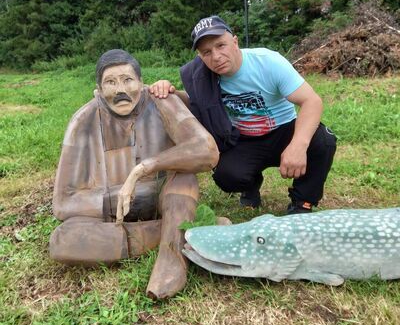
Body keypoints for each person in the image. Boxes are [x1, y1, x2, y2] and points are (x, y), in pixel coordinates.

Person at [49, 49, 219, 299]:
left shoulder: (161, 100)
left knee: (184, 178)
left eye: (127, 80)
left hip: (166, 197)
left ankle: (172, 258)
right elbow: (63, 204)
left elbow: (207, 150)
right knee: (63, 241)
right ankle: (178, 232)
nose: (121, 90)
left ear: (141, 82)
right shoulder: (82, 121)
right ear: (98, 90)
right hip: (111, 216)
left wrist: (143, 169)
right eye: (110, 82)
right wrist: (120, 198)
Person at [150, 16, 337, 213]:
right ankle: (250, 185)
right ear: (200, 56)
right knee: (226, 175)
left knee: (323, 141)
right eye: (207, 52)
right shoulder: (202, 76)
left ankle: (302, 202)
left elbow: (311, 101)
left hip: (283, 129)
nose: (216, 56)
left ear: (235, 42)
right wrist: (169, 92)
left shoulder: (268, 62)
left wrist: (298, 146)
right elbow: (196, 102)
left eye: (221, 45)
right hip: (243, 138)